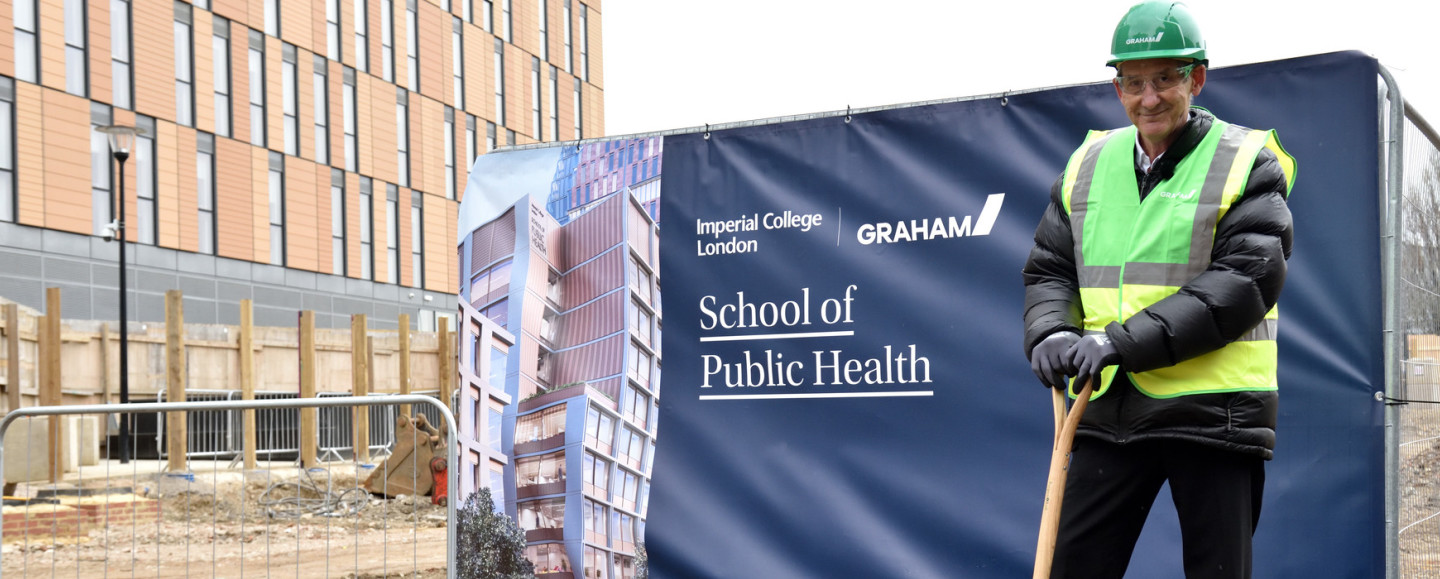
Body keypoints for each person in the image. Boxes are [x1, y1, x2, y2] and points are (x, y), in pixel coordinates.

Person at [1021, 2, 1296, 578]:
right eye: (1135, 82)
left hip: (1215, 412)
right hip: (1107, 405)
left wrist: (1120, 343)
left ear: (1196, 79)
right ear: (1117, 87)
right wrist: (1051, 330)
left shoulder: (1248, 161)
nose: (1149, 97)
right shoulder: (1087, 162)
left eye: (1166, 79)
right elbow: (1050, 269)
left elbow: (1244, 282)